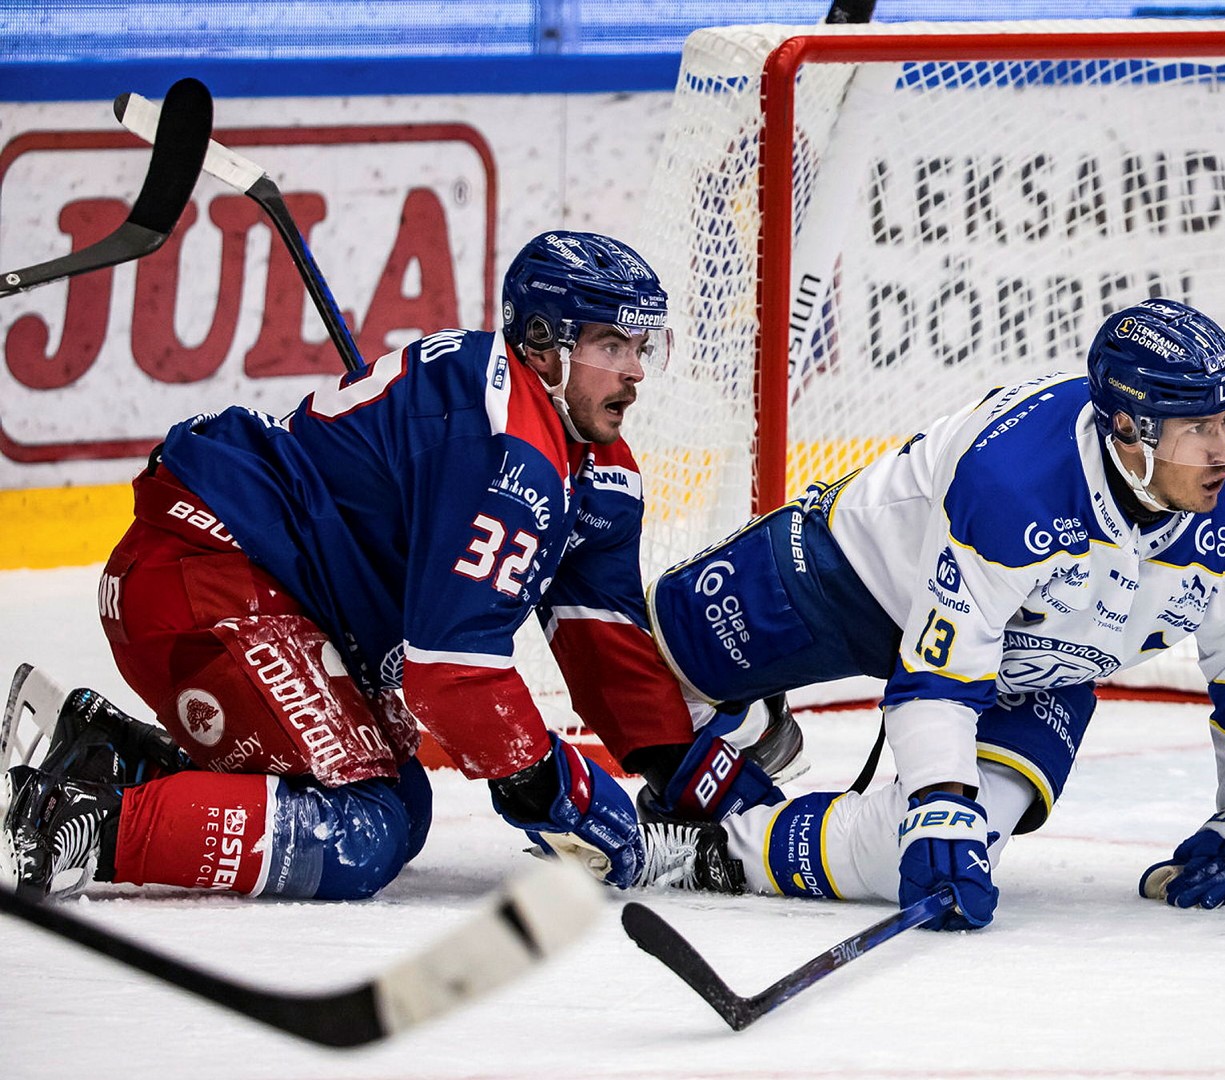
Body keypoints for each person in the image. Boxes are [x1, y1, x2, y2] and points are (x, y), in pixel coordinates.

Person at [2, 230, 713, 901]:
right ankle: (72, 822)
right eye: (612, 344)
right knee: (361, 832)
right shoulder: (516, 450)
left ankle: (110, 760)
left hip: (237, 581)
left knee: (401, 804)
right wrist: (559, 788)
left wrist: (697, 784)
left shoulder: (570, 453)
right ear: (543, 345)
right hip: (210, 579)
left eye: (643, 344)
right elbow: (451, 678)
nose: (635, 371)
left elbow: (606, 651)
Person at [621, 298, 1225, 929]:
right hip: (857, 575)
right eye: (1199, 430)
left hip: (1039, 671)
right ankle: (749, 727)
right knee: (644, 676)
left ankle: (706, 853)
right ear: (1126, 427)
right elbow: (940, 678)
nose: (1224, 454)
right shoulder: (1017, 485)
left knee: (932, 850)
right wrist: (941, 795)